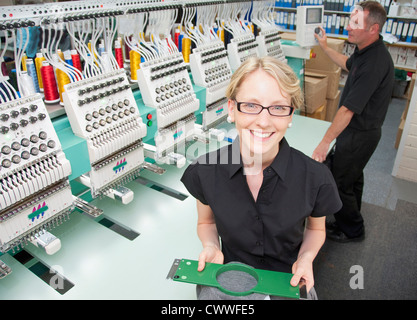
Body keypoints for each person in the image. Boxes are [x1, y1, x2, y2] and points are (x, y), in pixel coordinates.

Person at [181, 56, 342, 299]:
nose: (264, 121)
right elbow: (206, 223)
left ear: (290, 117)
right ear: (231, 109)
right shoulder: (205, 171)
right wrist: (211, 246)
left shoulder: (316, 178)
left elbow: (316, 229)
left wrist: (306, 258)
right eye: (251, 105)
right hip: (230, 280)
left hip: (287, 279)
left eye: (278, 108)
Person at [312, 1, 394, 242]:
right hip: (361, 132)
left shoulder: (374, 62)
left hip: (359, 133)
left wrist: (325, 143)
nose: (349, 27)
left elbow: (347, 110)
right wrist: (325, 47)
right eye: (350, 21)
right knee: (353, 178)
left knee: (339, 183)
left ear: (373, 28)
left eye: (355, 24)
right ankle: (349, 220)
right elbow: (347, 64)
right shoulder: (366, 50)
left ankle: (353, 230)